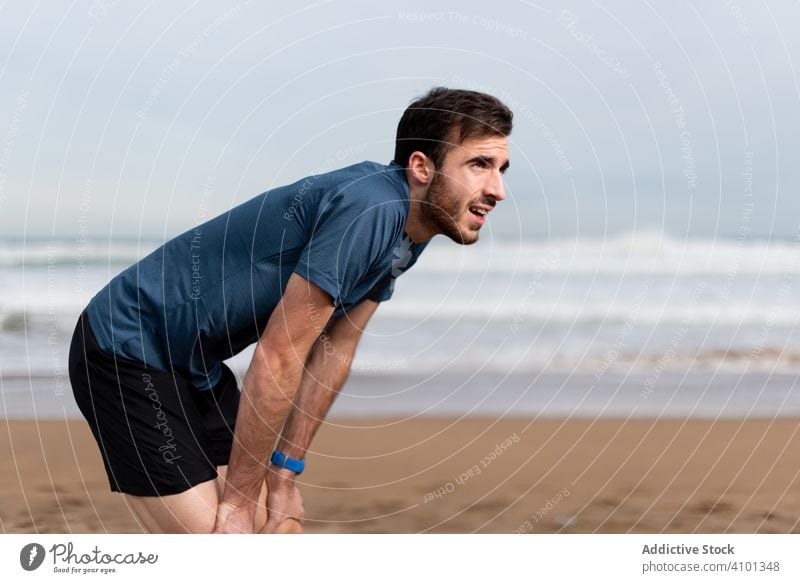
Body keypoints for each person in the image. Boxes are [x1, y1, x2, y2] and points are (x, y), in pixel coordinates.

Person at [68, 86, 513, 533]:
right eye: (479, 165)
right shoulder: (371, 208)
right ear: (421, 167)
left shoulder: (408, 236)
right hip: (126, 346)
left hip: (196, 365)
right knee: (222, 543)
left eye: (501, 169)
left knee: (275, 526)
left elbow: (335, 349)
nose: (498, 189)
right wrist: (237, 504)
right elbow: (279, 354)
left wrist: (283, 475)